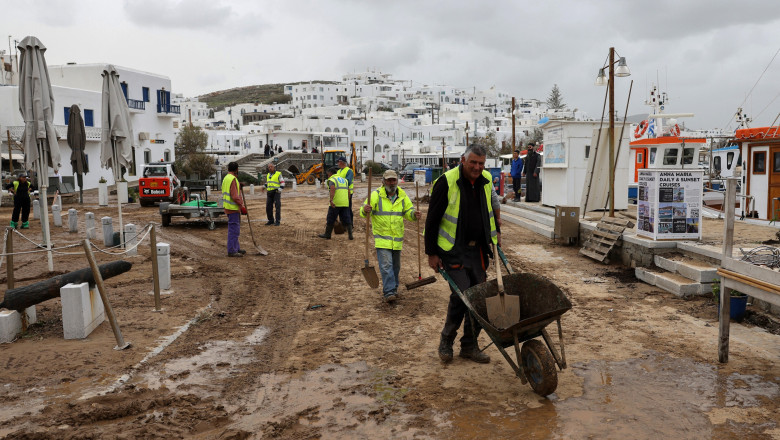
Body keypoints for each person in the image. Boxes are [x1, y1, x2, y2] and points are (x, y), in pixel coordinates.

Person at [425, 145, 500, 364]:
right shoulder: (446, 182)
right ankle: (446, 340)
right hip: (453, 250)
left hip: (477, 250)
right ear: (463, 160)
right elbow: (432, 220)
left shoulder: (486, 180)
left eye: (481, 163)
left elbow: (490, 211)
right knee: (462, 295)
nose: (477, 167)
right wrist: (432, 253)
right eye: (473, 162)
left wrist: (496, 234)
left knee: (479, 299)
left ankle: (469, 345)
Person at [360, 170, 420, 303]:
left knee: (395, 267)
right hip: (382, 239)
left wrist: (414, 215)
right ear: (383, 181)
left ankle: (394, 288)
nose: (391, 183)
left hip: (397, 240)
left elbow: (408, 211)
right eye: (389, 180)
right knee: (386, 266)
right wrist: (365, 210)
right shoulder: (376, 195)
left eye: (393, 180)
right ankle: (389, 292)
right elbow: (363, 210)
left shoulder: (402, 196)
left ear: (397, 181)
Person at [318, 167, 353, 240]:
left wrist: (331, 200)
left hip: (336, 203)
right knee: (347, 218)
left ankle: (327, 234)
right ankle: (350, 235)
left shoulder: (332, 180)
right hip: (345, 203)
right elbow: (348, 191)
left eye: (328, 175)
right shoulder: (344, 180)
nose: (328, 176)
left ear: (331, 173)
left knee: (330, 218)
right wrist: (347, 200)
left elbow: (332, 189)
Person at [221, 162, 247, 257]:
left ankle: (236, 248)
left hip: (228, 207)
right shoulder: (233, 179)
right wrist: (241, 206)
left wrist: (238, 185)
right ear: (237, 169)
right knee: (234, 230)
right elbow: (235, 196)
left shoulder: (226, 178)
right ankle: (232, 250)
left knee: (235, 229)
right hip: (233, 208)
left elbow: (229, 189)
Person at [336, 156, 354, 221]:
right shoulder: (338, 171)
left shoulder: (349, 171)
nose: (337, 163)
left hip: (347, 193)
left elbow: (348, 181)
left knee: (348, 209)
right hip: (340, 193)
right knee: (341, 209)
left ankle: (350, 224)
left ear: (341, 162)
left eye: (338, 162)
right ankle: (342, 223)